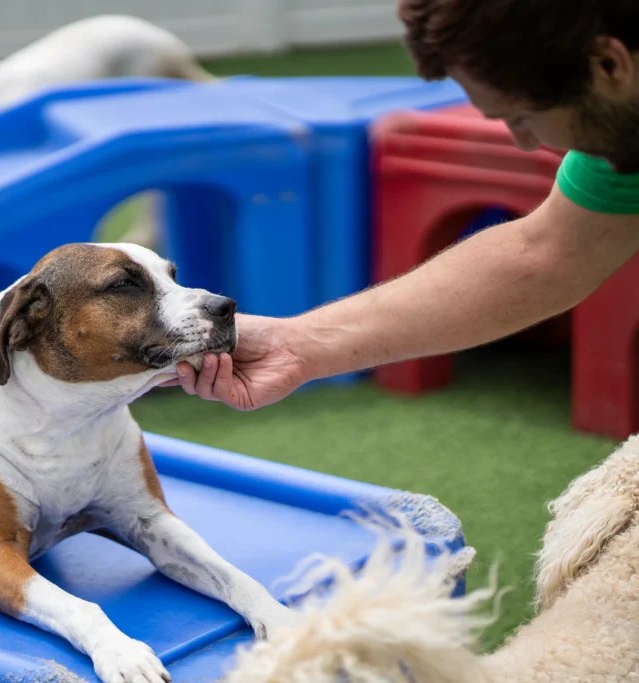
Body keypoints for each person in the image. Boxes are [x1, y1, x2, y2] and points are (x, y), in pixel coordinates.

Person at [169, 0, 639, 411]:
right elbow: (544, 256)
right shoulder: (619, 139)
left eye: (523, 117)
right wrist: (298, 345)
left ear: (609, 64)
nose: (524, 143)